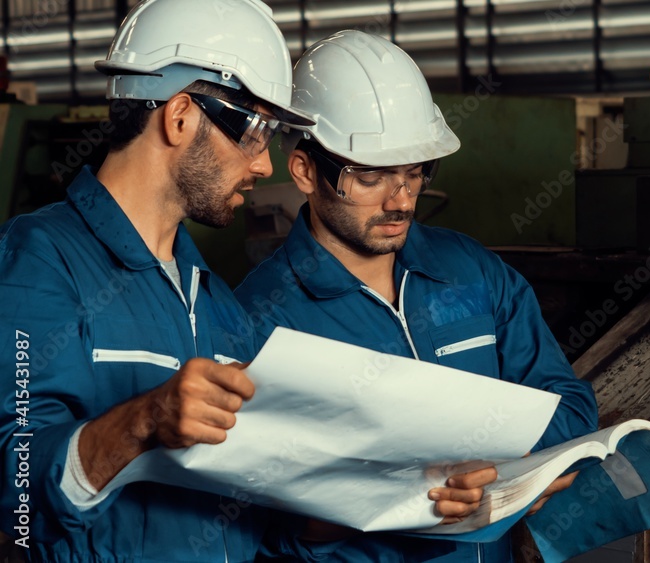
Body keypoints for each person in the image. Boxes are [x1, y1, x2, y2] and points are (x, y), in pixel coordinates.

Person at [0, 3, 487, 561]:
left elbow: (265, 525)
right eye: (256, 133)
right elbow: (16, 502)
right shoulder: (36, 262)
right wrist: (143, 419)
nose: (265, 168)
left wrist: (414, 495)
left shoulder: (216, 305)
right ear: (180, 115)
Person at [235, 30, 600, 562]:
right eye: (371, 178)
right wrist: (393, 500)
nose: (400, 200)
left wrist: (511, 472)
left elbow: (567, 404)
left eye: (414, 173)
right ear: (306, 170)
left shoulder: (472, 271)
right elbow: (248, 518)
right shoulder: (260, 318)